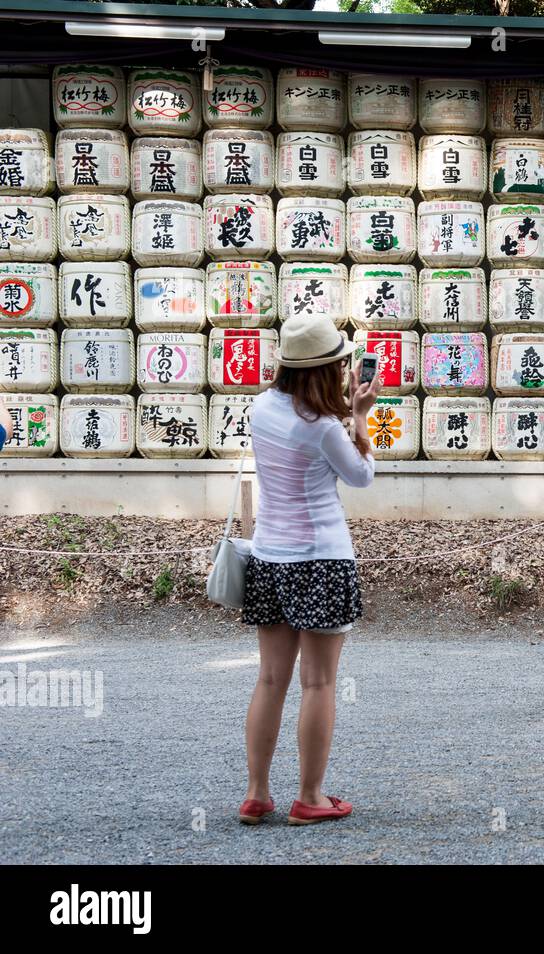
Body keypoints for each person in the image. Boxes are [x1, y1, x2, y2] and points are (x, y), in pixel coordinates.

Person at [239, 314, 381, 827]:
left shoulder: (260, 409)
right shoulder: (322, 428)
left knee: (271, 678)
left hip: (268, 555)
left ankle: (256, 794)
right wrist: (360, 416)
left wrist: (343, 411)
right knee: (318, 683)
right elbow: (362, 475)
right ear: (327, 370)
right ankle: (311, 797)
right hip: (321, 559)